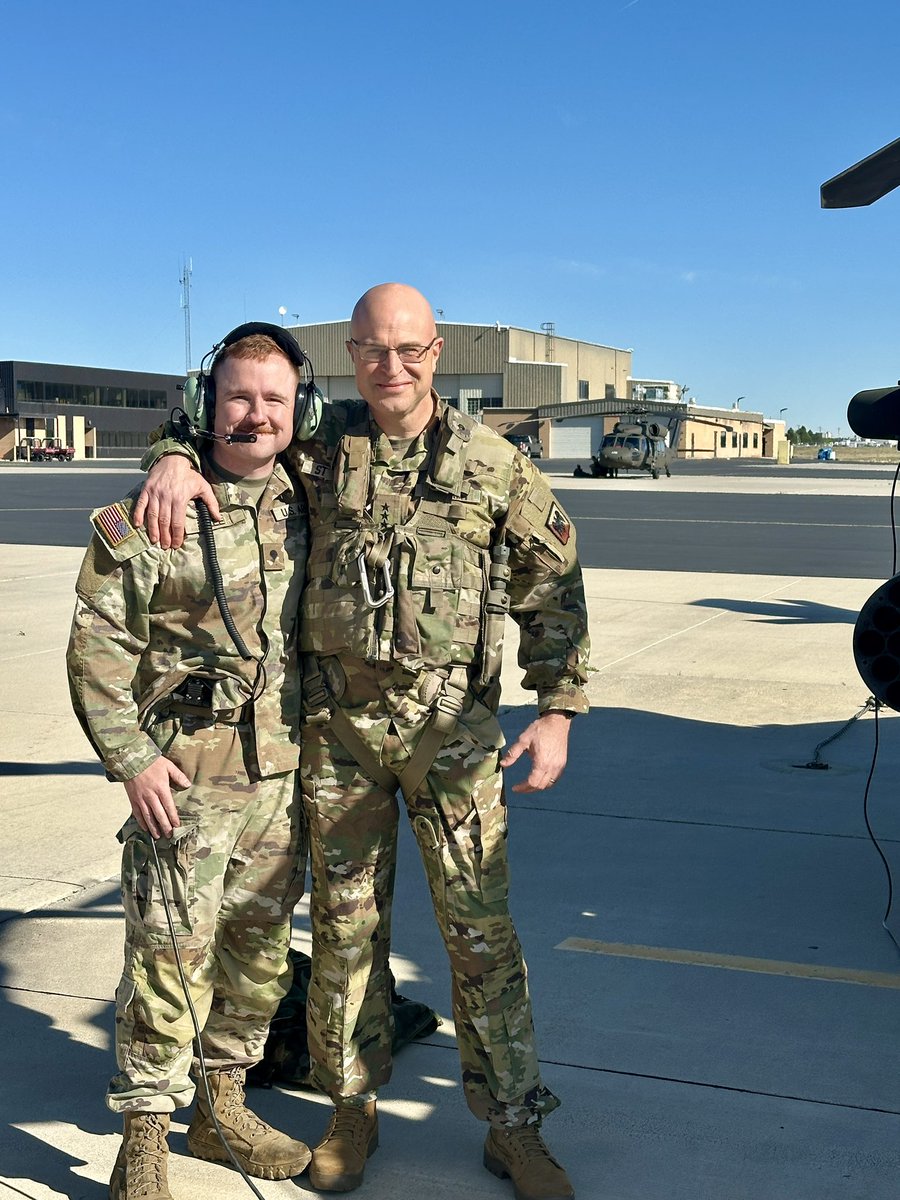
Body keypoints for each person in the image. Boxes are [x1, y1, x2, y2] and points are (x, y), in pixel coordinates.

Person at [135, 283, 590, 1200]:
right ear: (352, 356)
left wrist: (558, 710)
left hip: (453, 740)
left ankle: (513, 1125)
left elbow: (555, 580)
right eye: (374, 350)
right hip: (338, 741)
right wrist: (171, 455)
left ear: (436, 353)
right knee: (347, 935)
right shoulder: (319, 440)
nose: (393, 366)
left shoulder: (493, 462)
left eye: (410, 349)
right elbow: (234, 432)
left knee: (480, 937)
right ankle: (353, 1106)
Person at [67, 326, 314, 1198]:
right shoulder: (153, 511)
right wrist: (131, 758)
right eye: (239, 396)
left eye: (274, 399)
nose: (256, 414)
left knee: (257, 958)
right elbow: (97, 644)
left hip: (281, 774)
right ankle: (145, 1133)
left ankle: (221, 1107)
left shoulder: (312, 499)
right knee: (167, 957)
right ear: (209, 404)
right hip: (185, 773)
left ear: (300, 411)